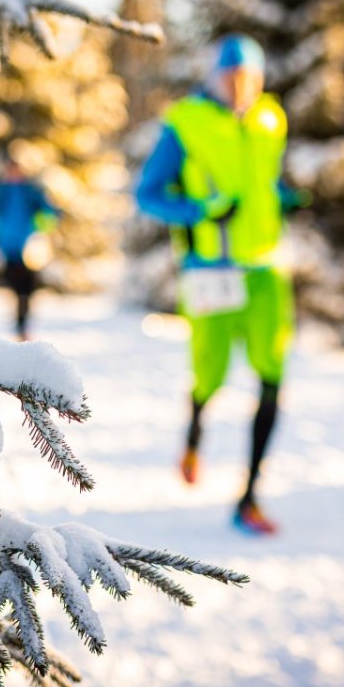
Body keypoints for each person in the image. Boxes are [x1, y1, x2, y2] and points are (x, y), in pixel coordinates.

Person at [135, 33, 309, 536]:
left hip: (266, 271)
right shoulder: (185, 123)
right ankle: (193, 437)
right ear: (212, 77)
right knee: (209, 375)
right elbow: (148, 194)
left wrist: (284, 197)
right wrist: (201, 210)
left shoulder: (271, 119)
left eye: (250, 79)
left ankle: (249, 497)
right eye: (230, 78)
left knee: (272, 376)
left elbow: (261, 180)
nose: (240, 88)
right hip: (212, 273)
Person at [0, 158, 57, 340]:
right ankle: (20, 323)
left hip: (29, 249)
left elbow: (49, 213)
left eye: (16, 170)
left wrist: (41, 228)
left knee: (27, 288)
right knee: (16, 286)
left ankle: (22, 325)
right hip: (7, 249)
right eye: (10, 170)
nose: (13, 173)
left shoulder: (31, 191)